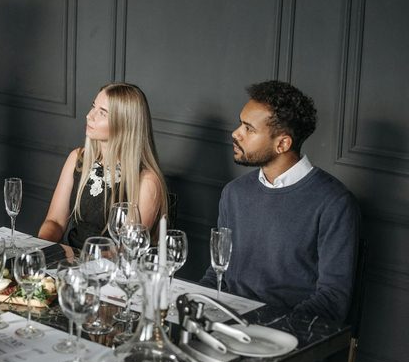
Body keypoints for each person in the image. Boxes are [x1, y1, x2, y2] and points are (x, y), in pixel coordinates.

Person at [200, 80, 359, 322]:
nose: (236, 133)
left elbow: (332, 298)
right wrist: (196, 307)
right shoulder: (234, 193)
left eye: (248, 129)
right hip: (226, 327)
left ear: (283, 143)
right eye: (240, 123)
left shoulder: (334, 203)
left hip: (287, 338)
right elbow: (218, 272)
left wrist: (271, 331)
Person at [37, 82, 168, 248]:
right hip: (71, 265)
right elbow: (54, 221)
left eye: (102, 113)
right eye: (93, 107)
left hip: (111, 270)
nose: (89, 115)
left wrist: (89, 261)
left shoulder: (146, 181)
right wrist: (39, 248)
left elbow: (127, 249)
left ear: (124, 124)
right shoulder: (78, 158)